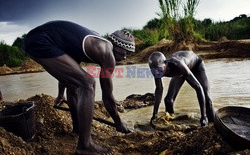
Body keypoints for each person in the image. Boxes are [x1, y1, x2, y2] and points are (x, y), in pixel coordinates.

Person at [23, 20, 135, 155]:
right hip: (41, 40)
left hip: (36, 39)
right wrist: (118, 122)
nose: (125, 57)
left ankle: (77, 129)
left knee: (75, 83)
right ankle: (85, 145)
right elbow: (107, 95)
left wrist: (60, 94)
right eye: (126, 52)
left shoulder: (91, 43)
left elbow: (69, 71)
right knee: (88, 83)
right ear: (117, 46)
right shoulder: (107, 53)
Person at [148, 51, 215, 126]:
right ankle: (171, 122)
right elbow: (159, 89)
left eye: (159, 70)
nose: (157, 73)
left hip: (196, 66)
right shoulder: (156, 69)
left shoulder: (178, 65)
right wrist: (155, 114)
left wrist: (203, 116)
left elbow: (198, 88)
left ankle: (213, 122)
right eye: (154, 71)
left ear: (165, 63)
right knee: (168, 100)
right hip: (180, 72)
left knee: (207, 99)